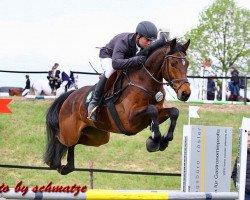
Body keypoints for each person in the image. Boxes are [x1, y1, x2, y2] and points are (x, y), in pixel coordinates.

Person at [87, 21, 158, 122]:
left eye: (152, 41)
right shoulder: (123, 42)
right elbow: (116, 64)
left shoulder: (145, 44)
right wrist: (135, 60)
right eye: (147, 40)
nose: (150, 43)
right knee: (110, 70)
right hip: (109, 57)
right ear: (138, 36)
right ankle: (93, 103)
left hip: (124, 59)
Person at [231, 134, 250, 199]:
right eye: (247, 141)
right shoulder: (241, 156)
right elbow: (234, 174)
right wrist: (240, 187)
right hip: (245, 193)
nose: (249, 143)